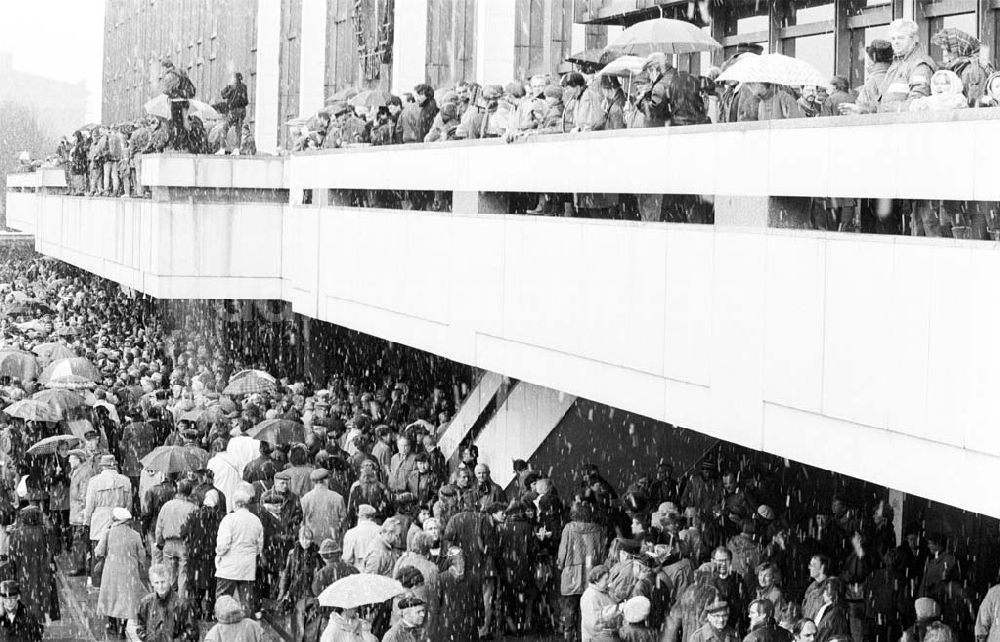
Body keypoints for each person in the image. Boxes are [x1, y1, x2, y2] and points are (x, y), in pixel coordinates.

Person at [841, 19, 936, 114]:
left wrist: (886, 109)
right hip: (892, 123)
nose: (896, 42)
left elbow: (917, 105)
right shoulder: (896, 64)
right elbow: (882, 103)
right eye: (893, 39)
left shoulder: (920, 65)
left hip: (905, 126)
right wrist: (861, 109)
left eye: (901, 38)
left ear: (914, 39)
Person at [96, 507, 147, 638]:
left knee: (111, 597)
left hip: (112, 571)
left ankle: (112, 624)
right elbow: (142, 556)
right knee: (126, 600)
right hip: (129, 572)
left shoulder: (108, 533)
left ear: (115, 519)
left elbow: (99, 552)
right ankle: (122, 628)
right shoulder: (135, 535)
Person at [215, 487, 264, 616]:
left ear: (235, 503)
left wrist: (218, 554)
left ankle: (223, 621)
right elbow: (260, 546)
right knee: (246, 601)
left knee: (223, 599)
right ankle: (246, 625)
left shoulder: (229, 520)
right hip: (247, 566)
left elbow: (223, 545)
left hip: (228, 566)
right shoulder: (256, 520)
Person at [8, 506, 59, 625]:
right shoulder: (45, 532)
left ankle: (28, 627)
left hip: (23, 575)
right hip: (43, 576)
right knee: (41, 603)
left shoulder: (16, 534)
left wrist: (12, 574)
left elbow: (12, 559)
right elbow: (51, 552)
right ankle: (38, 626)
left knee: (26, 601)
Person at [181, 489, 223, 620]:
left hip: (195, 556)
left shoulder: (194, 515)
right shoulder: (220, 518)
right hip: (212, 557)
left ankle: (197, 610)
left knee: (195, 584)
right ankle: (209, 613)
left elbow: (184, 533)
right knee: (212, 585)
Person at [154, 478, 197, 600]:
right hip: (184, 543)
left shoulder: (167, 506)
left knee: (169, 574)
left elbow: (159, 527)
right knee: (183, 575)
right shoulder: (192, 508)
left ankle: (168, 600)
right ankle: (181, 602)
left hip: (168, 543)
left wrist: (160, 543)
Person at [279, 526, 324, 642]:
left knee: (310, 624)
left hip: (311, 593)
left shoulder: (317, 555)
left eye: (308, 539)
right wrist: (282, 593)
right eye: (303, 539)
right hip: (296, 593)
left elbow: (320, 575)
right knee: (298, 623)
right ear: (299, 538)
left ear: (312, 539)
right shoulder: (292, 554)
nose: (306, 542)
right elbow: (287, 574)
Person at [135, 563, 199, 642]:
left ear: (169, 580)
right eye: (157, 583)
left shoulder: (182, 604)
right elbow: (140, 626)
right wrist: (148, 639)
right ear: (152, 583)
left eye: (163, 582)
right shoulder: (146, 603)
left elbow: (192, 631)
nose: (160, 586)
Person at [932, 28, 993, 107]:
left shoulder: (972, 70)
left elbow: (974, 105)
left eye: (947, 50)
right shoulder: (960, 66)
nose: (945, 54)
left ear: (959, 48)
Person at [301, 467, 347, 545]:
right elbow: (343, 519)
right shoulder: (338, 497)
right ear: (326, 480)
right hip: (332, 539)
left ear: (313, 482)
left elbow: (303, 520)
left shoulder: (306, 498)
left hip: (312, 539)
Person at [579, 564, 619, 642]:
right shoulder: (590, 596)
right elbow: (594, 625)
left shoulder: (605, 592)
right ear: (596, 580)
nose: (608, 582)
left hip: (607, 635)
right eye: (606, 579)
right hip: (596, 638)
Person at [343, 504, 382, 570]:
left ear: (360, 516)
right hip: (379, 573)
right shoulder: (381, 531)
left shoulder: (351, 533)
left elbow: (347, 559)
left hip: (359, 573)